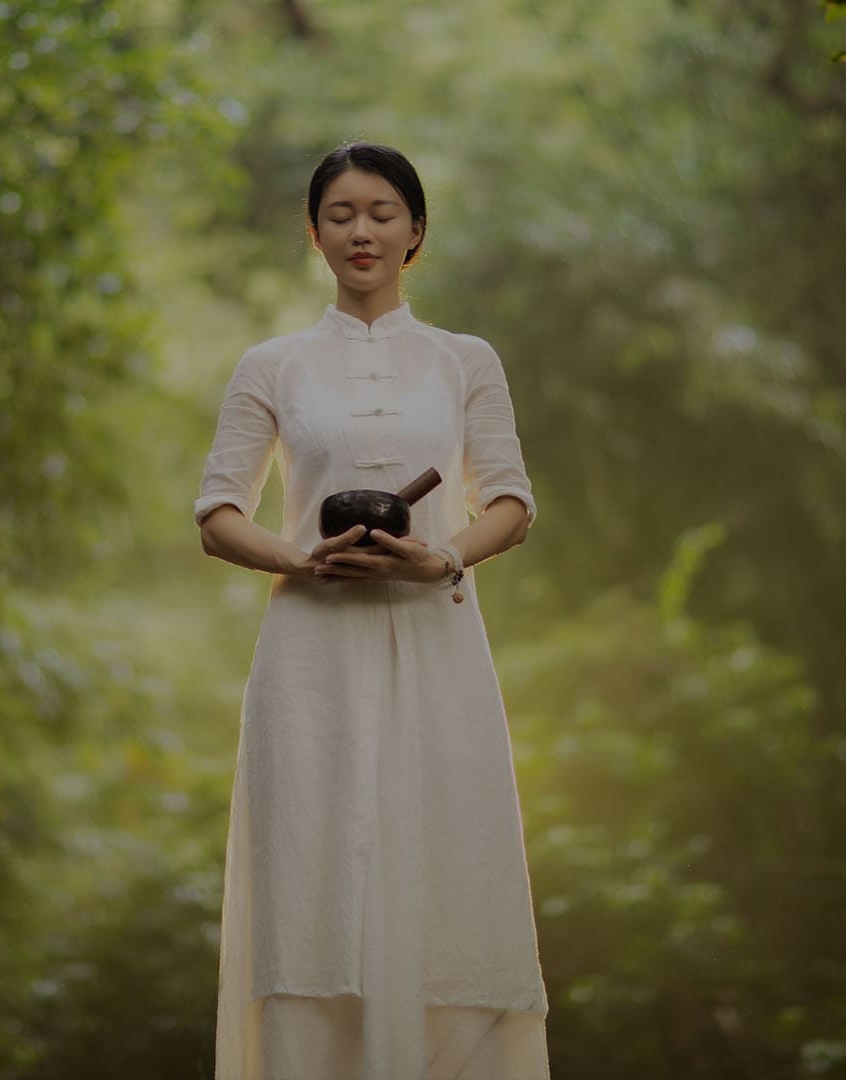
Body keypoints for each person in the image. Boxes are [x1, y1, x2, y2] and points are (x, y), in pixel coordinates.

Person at [194, 141, 551, 1080]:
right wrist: (300, 561)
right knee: (314, 888)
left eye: (383, 212)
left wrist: (438, 558)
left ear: (416, 233)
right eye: (342, 213)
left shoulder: (464, 360)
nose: (363, 230)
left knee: (446, 871)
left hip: (439, 643)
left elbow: (509, 503)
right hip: (309, 657)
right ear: (312, 233)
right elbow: (217, 513)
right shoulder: (271, 364)